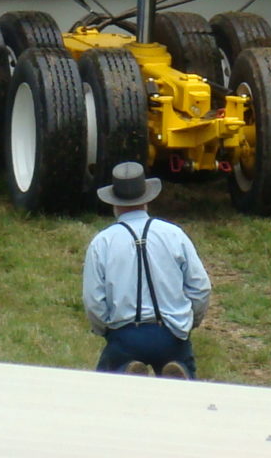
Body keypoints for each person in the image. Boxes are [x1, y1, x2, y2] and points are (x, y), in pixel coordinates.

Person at [82, 161, 212, 379]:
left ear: (114, 203)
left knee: (104, 388)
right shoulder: (174, 234)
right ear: (147, 200)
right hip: (172, 334)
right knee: (188, 389)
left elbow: (94, 301)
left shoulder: (102, 242)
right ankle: (178, 378)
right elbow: (200, 287)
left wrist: (106, 329)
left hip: (125, 336)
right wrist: (189, 322)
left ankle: (127, 372)